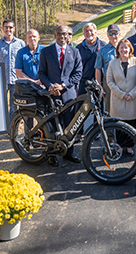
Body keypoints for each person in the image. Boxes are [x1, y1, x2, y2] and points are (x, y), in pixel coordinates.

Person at [39, 25, 83, 166]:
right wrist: (50, 86)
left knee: (70, 125)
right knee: (52, 126)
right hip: (52, 94)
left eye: (65, 34)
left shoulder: (74, 52)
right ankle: (51, 155)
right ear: (55, 35)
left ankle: (69, 153)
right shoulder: (46, 52)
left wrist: (63, 85)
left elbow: (78, 73)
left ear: (68, 35)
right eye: (59, 34)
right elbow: (42, 73)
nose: (62, 36)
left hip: (68, 94)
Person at [106, 39, 136, 156]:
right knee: (119, 125)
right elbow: (110, 81)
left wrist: (132, 94)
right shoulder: (112, 63)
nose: (124, 50)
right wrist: (122, 94)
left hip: (133, 98)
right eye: (121, 48)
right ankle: (121, 146)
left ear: (130, 49)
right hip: (118, 99)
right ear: (118, 50)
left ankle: (130, 146)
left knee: (132, 124)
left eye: (126, 47)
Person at [0, 19, 25, 132]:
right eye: (6, 27)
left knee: (14, 107)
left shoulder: (20, 43)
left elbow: (23, 62)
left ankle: (11, 130)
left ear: (14, 29)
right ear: (2, 28)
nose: (8, 29)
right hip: (2, 80)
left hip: (16, 80)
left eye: (10, 27)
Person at [14, 29, 43, 130]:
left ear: (38, 38)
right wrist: (32, 82)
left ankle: (44, 137)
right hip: (27, 89)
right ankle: (28, 139)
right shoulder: (21, 53)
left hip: (42, 86)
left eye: (34, 36)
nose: (32, 39)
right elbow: (18, 71)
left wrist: (41, 80)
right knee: (28, 115)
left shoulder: (45, 51)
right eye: (29, 37)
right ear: (26, 39)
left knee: (43, 115)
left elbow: (51, 68)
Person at [94, 24, 121, 111]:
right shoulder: (102, 50)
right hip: (108, 83)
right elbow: (98, 69)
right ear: (107, 35)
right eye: (111, 34)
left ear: (119, 34)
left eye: (115, 33)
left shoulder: (124, 48)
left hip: (122, 82)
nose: (113, 36)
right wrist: (99, 86)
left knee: (122, 108)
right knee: (110, 109)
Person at [77, 22, 106, 96]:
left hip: (100, 83)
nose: (89, 33)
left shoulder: (103, 46)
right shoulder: (78, 49)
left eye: (91, 30)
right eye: (86, 31)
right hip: (84, 83)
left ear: (95, 32)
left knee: (100, 106)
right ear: (84, 34)